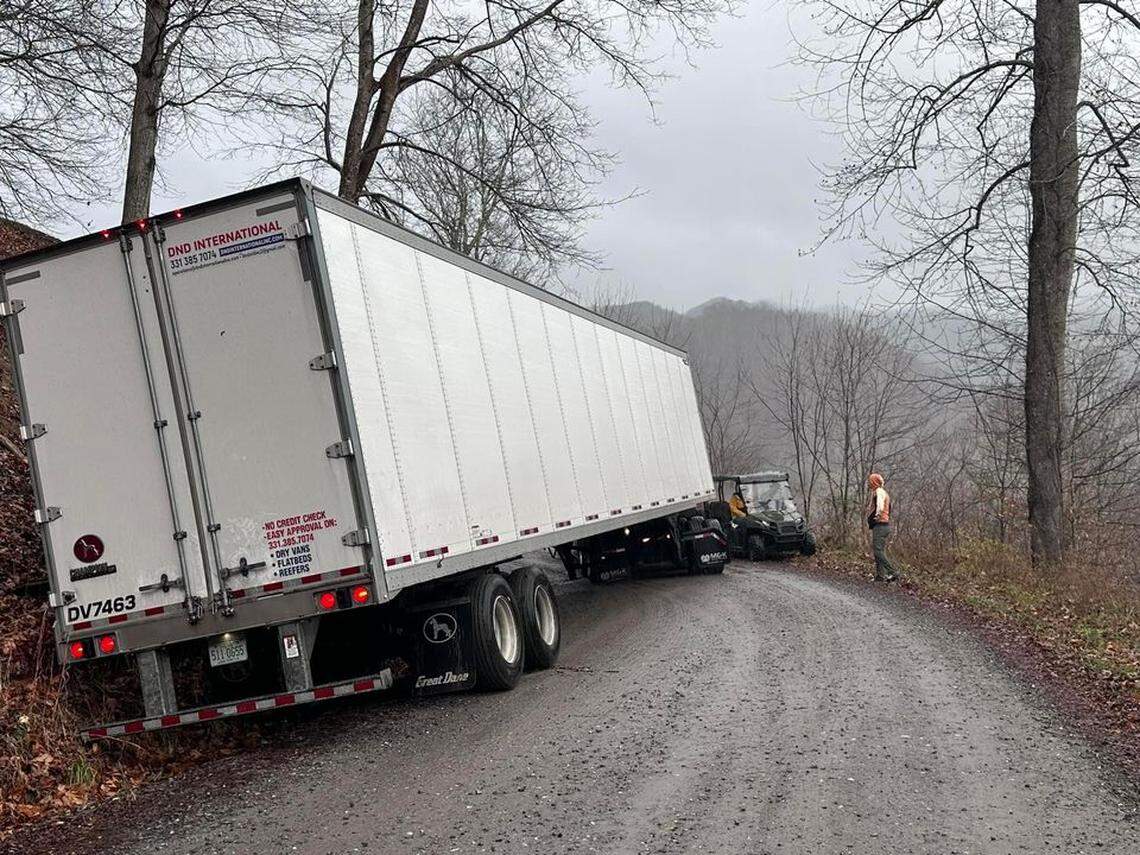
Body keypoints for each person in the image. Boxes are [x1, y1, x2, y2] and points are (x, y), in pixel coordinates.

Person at [866, 473, 899, 582]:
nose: (869, 483)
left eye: (870, 481)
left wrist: (877, 516)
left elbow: (879, 506)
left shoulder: (878, 492)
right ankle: (880, 576)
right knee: (879, 550)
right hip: (885, 526)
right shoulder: (884, 492)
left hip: (880, 525)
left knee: (878, 551)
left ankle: (893, 572)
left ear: (874, 482)